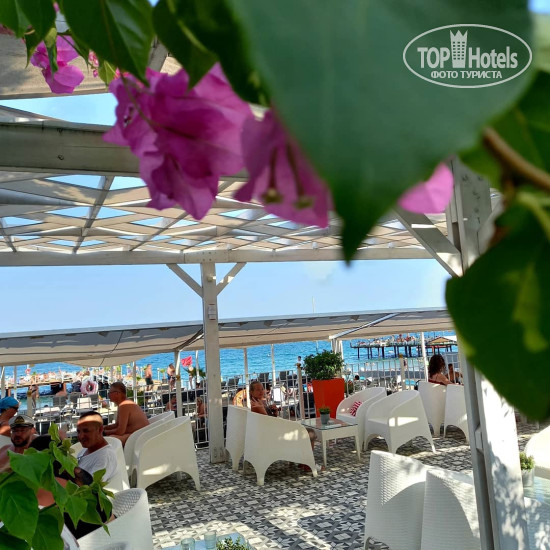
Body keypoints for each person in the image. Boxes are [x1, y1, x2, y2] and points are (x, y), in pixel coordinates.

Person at [76, 411, 118, 482]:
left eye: (86, 431)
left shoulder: (104, 457)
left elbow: (92, 486)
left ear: (100, 430)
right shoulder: (86, 450)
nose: (81, 436)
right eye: (78, 431)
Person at [104, 382, 149, 446]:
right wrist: (105, 428)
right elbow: (117, 425)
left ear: (117, 394)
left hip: (141, 436)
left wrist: (104, 432)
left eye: (110, 393)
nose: (108, 395)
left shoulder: (124, 405)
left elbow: (120, 431)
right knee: (109, 438)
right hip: (138, 434)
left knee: (111, 440)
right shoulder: (124, 403)